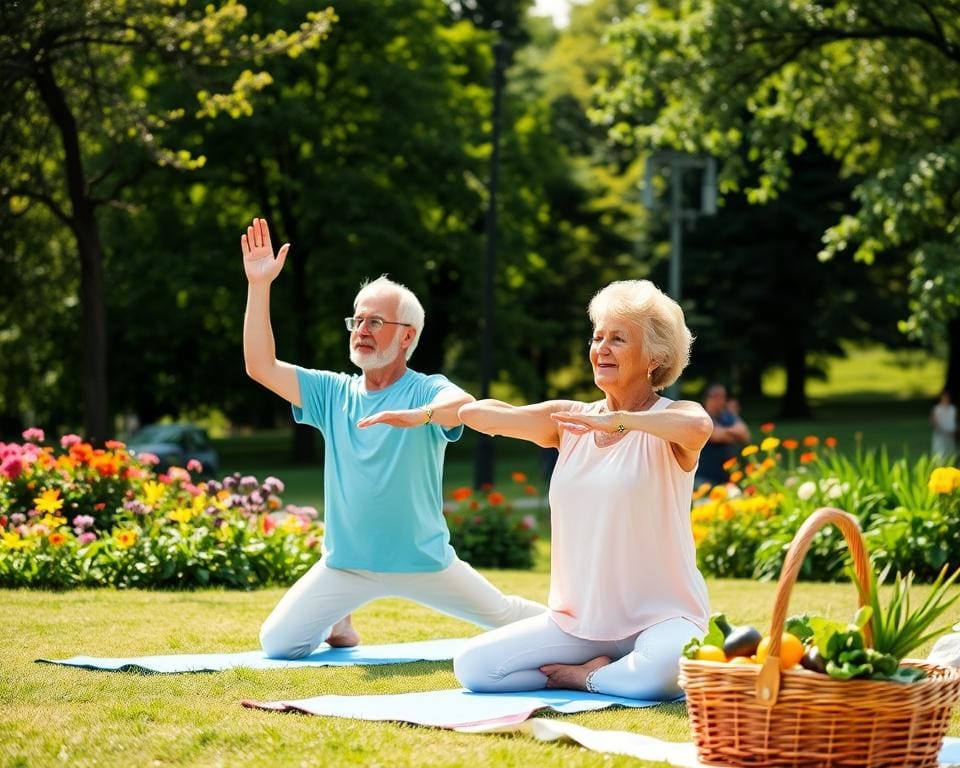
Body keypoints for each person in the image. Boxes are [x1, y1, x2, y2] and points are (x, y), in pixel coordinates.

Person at [240, 218, 545, 658]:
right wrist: (259, 284)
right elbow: (260, 365)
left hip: (423, 562)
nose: (361, 330)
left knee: (507, 617)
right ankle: (340, 622)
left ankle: (591, 634)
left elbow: (464, 406)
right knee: (278, 645)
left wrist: (418, 416)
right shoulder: (332, 392)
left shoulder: (425, 388)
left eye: (375, 321)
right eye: (357, 319)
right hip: (346, 566)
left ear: (407, 336)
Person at [452, 279, 713, 700]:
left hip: (664, 618)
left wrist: (623, 421)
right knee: (476, 668)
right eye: (597, 337)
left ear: (656, 357)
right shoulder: (571, 420)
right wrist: (447, 409)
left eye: (618, 339)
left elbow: (699, 426)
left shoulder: (672, 419)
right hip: (580, 623)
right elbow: (487, 417)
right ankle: (606, 670)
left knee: (661, 675)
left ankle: (585, 677)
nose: (601, 348)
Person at [695, 383, 751, 487]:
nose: (720, 400)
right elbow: (715, 436)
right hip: (704, 479)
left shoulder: (727, 417)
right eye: (716, 396)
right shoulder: (700, 416)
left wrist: (733, 415)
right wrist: (734, 435)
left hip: (727, 479)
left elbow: (745, 435)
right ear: (707, 398)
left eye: (723, 396)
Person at [931, 389, 957, 459]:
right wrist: (941, 430)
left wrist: (954, 430)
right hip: (940, 433)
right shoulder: (937, 409)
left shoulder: (952, 408)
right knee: (940, 452)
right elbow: (934, 421)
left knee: (950, 451)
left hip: (950, 433)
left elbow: (954, 420)